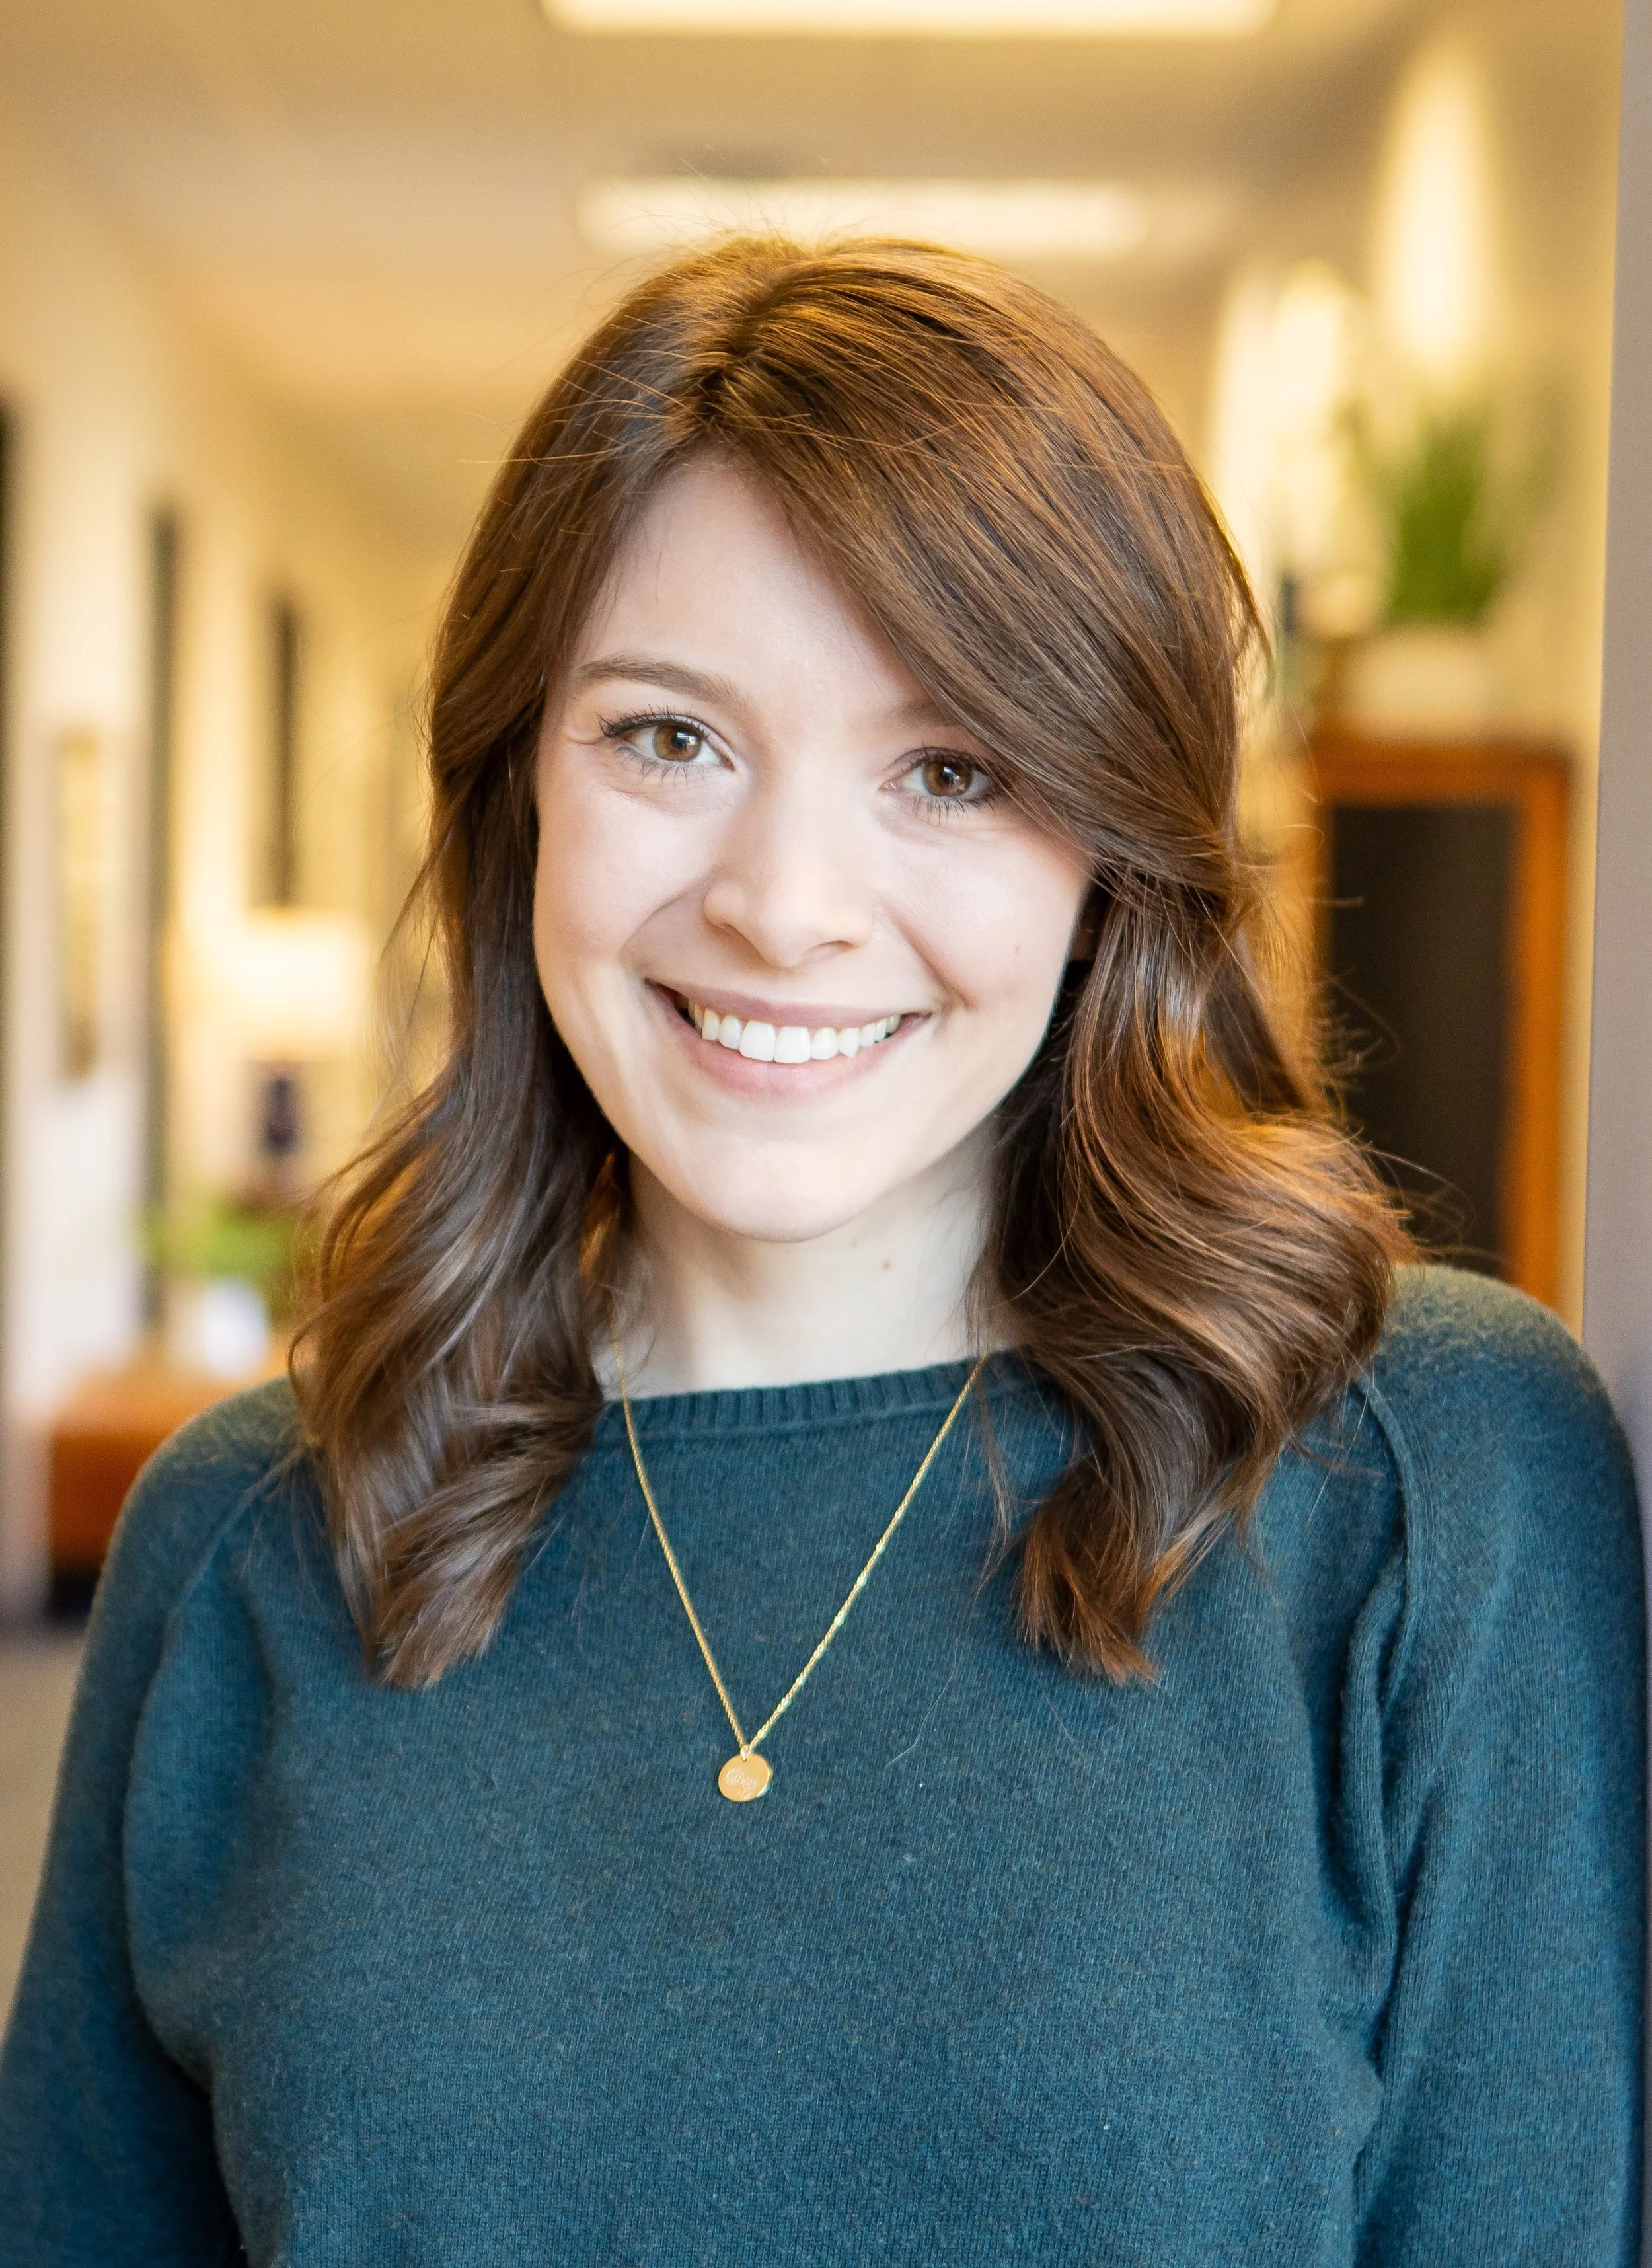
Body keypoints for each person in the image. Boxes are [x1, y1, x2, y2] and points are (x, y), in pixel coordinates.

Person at [0, 237, 1642, 2265]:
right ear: (519, 781)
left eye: (948, 771)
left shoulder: (1422, 1484)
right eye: (668, 739)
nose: (785, 906)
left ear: (1109, 848)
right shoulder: (249, 1540)